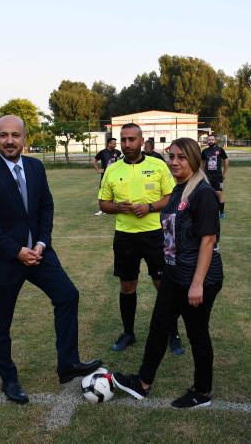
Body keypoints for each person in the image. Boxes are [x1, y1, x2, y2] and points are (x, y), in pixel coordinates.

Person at [0, 115, 102, 405]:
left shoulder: (35, 167)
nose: (9, 140)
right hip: (5, 259)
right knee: (1, 323)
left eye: (15, 135)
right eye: (3, 135)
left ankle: (68, 363)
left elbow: (45, 206)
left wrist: (41, 242)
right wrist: (16, 251)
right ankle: (9, 379)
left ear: (25, 138)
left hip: (39, 254)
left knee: (67, 295)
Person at [113, 137, 223, 409]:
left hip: (199, 279)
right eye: (171, 156)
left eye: (181, 157)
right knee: (159, 326)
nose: (174, 161)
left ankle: (203, 392)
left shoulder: (202, 193)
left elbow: (209, 240)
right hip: (175, 274)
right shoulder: (179, 189)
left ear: (195, 160)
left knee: (197, 334)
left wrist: (197, 284)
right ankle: (143, 383)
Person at [98, 123, 185, 355]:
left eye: (132, 140)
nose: (127, 144)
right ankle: (128, 333)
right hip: (125, 237)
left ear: (141, 140)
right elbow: (103, 203)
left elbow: (171, 196)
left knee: (163, 285)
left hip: (156, 235)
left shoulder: (157, 165)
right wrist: (117, 207)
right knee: (127, 286)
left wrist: (149, 206)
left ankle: (173, 334)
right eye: (123, 140)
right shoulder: (112, 170)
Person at [200, 134, 228, 219]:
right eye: (209, 140)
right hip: (208, 177)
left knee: (219, 193)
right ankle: (208, 212)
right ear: (207, 141)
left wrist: (224, 173)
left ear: (215, 141)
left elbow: (226, 161)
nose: (210, 141)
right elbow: (202, 163)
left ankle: (222, 212)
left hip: (218, 176)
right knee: (207, 194)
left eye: (212, 140)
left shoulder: (220, 150)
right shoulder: (204, 151)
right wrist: (203, 174)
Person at [92, 138, 122, 216]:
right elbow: (94, 160)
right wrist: (98, 169)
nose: (115, 145)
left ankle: (115, 208)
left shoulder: (117, 152)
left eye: (116, 144)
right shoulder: (102, 152)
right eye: (114, 144)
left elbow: (124, 159)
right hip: (105, 176)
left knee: (117, 192)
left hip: (115, 176)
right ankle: (102, 210)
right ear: (109, 144)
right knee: (103, 193)